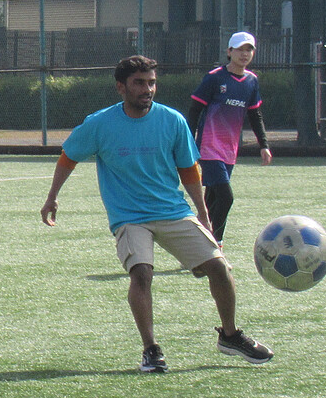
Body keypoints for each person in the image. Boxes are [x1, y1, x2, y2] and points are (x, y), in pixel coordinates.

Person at [39, 54, 273, 374]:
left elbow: (188, 169)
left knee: (219, 267)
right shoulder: (99, 123)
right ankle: (151, 349)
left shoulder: (172, 120)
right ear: (121, 87)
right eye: (139, 83)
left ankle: (230, 336)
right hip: (129, 217)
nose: (147, 89)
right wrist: (52, 197)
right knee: (142, 273)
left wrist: (202, 214)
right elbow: (69, 156)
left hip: (173, 211)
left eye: (151, 83)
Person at [187, 31, 272, 245]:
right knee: (226, 197)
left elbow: (255, 114)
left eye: (249, 49)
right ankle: (216, 243)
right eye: (240, 49)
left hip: (229, 150)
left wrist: (264, 145)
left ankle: (197, 242)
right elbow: (195, 110)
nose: (245, 54)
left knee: (212, 199)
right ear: (229, 51)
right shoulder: (215, 78)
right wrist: (187, 141)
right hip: (209, 148)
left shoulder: (251, 81)